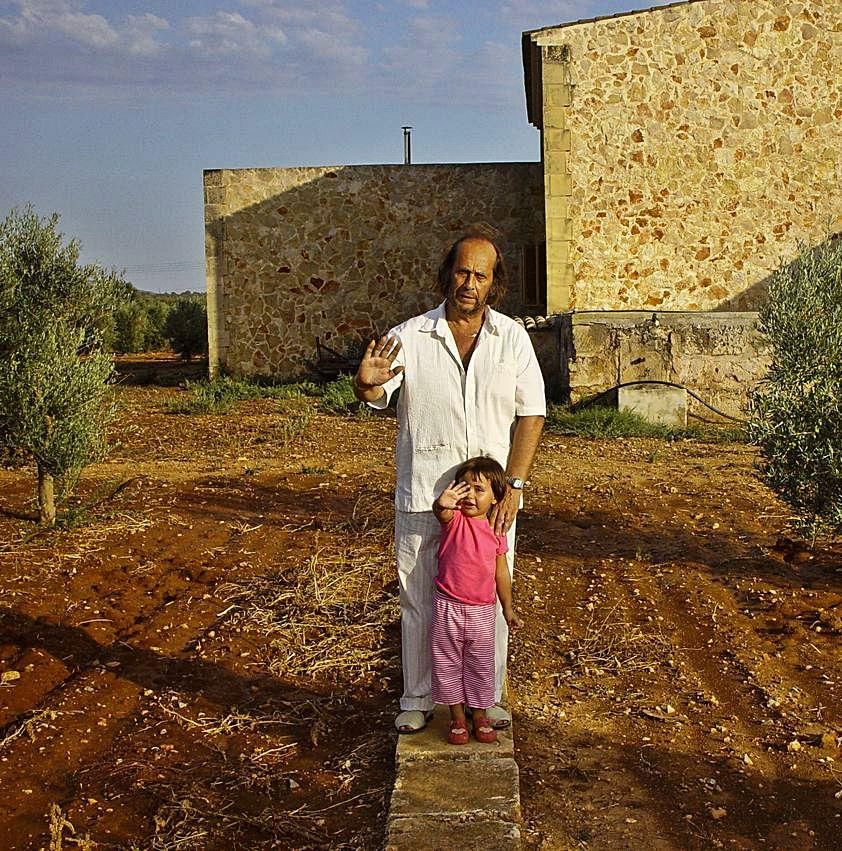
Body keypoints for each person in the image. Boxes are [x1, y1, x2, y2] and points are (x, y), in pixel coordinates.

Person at [352, 227, 545, 734]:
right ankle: (416, 697)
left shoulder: (513, 339)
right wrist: (366, 383)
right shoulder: (411, 336)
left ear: (494, 283)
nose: (469, 283)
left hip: (490, 506)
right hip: (424, 493)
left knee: (490, 596)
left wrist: (516, 487)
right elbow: (378, 393)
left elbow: (532, 414)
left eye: (480, 275)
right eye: (462, 271)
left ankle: (488, 698)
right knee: (418, 597)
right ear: (448, 274)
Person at [431, 457, 523, 745]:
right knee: (447, 664)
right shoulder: (454, 520)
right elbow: (441, 513)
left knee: (480, 664)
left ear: (496, 496)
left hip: (482, 610)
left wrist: (508, 607)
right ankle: (457, 718)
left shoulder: (496, 531)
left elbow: (501, 572)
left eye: (479, 489)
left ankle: (480, 715)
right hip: (447, 607)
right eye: (465, 488)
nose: (470, 495)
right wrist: (442, 503)